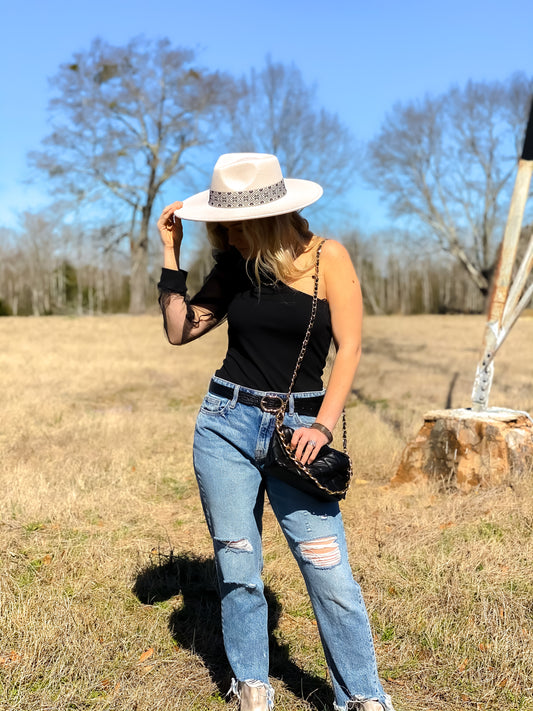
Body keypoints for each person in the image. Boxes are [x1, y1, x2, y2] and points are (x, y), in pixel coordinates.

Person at [156, 153, 394, 711]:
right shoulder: (237, 262)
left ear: (270, 212)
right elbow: (180, 329)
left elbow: (351, 346)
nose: (227, 230)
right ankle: (252, 686)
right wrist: (170, 252)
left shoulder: (326, 258)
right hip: (225, 427)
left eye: (235, 219)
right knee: (238, 566)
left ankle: (361, 696)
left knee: (328, 571)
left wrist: (323, 423)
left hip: (299, 431)